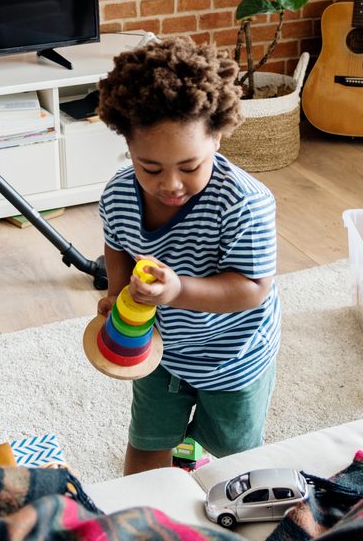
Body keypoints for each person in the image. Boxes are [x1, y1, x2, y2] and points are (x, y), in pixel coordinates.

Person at [95, 37, 281, 475]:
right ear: (127, 145)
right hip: (158, 352)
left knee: (234, 461)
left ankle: (196, 458)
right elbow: (118, 244)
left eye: (190, 166)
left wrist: (177, 289)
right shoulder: (119, 193)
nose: (171, 184)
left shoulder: (243, 203)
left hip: (233, 357)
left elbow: (252, 288)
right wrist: (117, 292)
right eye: (151, 168)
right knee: (146, 449)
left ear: (218, 135)